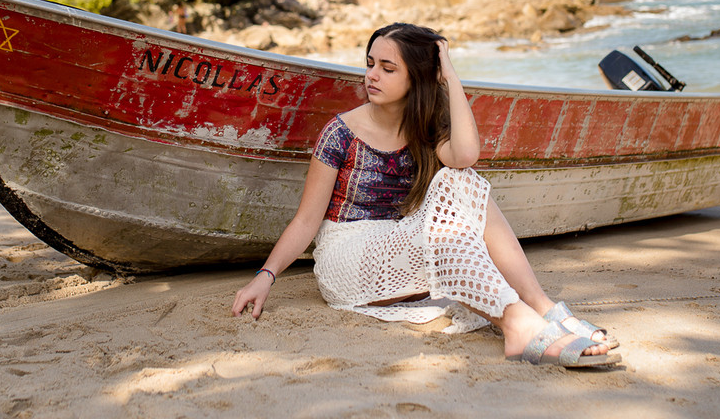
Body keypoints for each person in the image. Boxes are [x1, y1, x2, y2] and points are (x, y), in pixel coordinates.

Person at [231, 23, 620, 368]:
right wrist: (265, 276)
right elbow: (306, 219)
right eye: (370, 64)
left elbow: (465, 157)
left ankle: (540, 308)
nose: (372, 76)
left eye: (387, 68)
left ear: (416, 79)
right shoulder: (341, 132)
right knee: (450, 212)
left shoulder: (427, 127)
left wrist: (449, 78)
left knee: (460, 180)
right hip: (348, 258)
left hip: (401, 244)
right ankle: (521, 323)